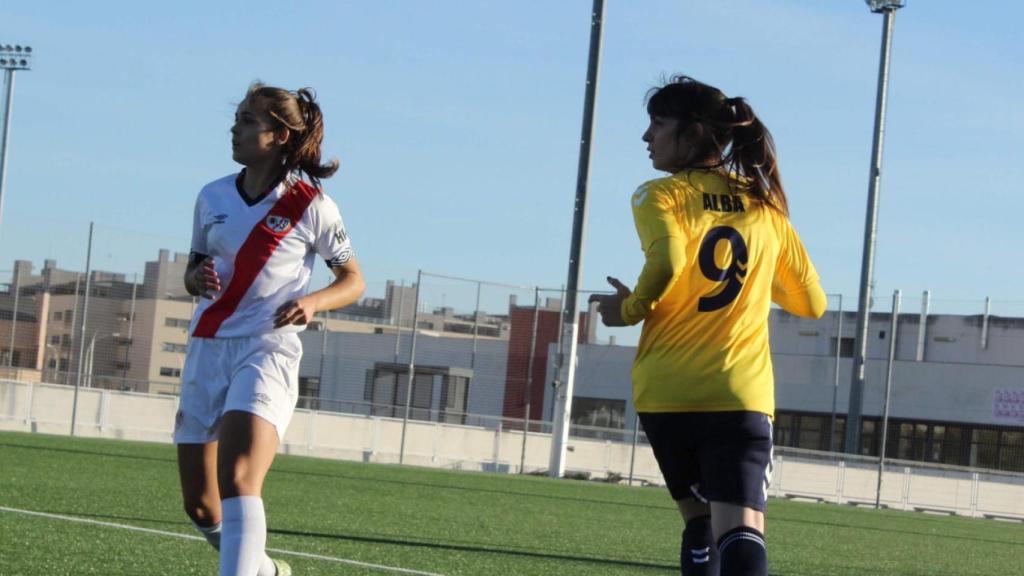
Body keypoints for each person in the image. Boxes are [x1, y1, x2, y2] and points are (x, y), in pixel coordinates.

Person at [589, 75, 826, 576]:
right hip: (738, 393)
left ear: (694, 133)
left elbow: (669, 261)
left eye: (658, 124)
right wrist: (758, 276)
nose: (646, 137)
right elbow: (811, 303)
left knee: (699, 523)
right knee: (740, 530)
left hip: (667, 392)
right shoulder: (765, 208)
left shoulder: (659, 194)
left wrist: (628, 311)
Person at [174, 82, 365, 576]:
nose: (234, 129)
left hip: (267, 349)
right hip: (207, 348)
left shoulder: (312, 205)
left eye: (245, 121)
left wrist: (313, 302)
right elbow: (192, 271)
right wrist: (197, 277)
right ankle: (267, 572)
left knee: (239, 476)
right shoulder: (211, 195)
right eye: (236, 118)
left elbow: (352, 280)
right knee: (201, 506)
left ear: (279, 135)